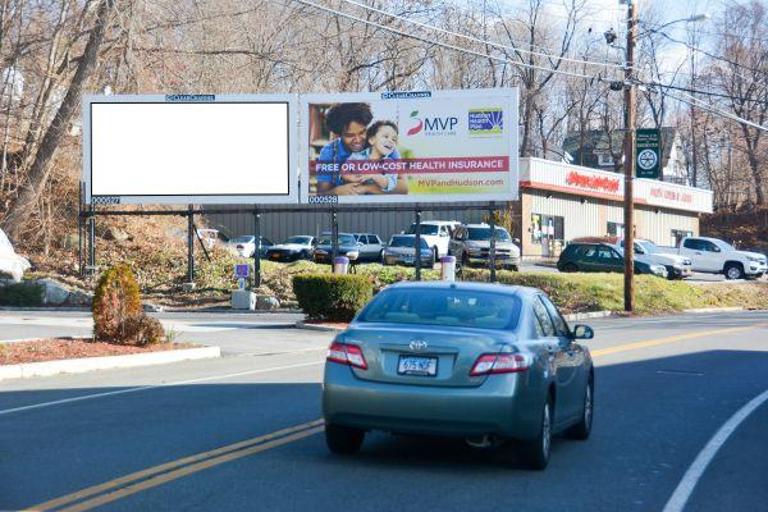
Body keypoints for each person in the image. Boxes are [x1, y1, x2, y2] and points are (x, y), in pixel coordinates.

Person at [315, 103, 401, 195]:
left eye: (362, 132)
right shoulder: (330, 152)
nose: (358, 140)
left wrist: (366, 188)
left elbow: (403, 188)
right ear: (338, 134)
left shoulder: (383, 147)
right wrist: (337, 191)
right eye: (349, 135)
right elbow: (321, 194)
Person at [344, 120, 407, 194]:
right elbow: (344, 171)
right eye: (386, 136)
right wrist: (351, 178)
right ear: (372, 140)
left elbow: (390, 184)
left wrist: (375, 176)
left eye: (394, 139)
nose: (390, 141)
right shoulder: (357, 156)